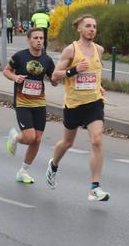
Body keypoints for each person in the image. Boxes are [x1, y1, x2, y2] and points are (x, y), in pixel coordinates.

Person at [45, 14, 110, 202]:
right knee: (67, 142)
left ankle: (94, 188)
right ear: (79, 29)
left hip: (94, 102)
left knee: (97, 140)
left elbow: (94, 72)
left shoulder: (99, 49)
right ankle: (54, 164)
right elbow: (55, 76)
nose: (91, 29)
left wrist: (98, 85)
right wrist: (74, 70)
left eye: (94, 26)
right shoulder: (70, 51)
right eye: (88, 26)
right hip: (74, 103)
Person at [3, 28, 56, 183]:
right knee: (29, 137)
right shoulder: (20, 56)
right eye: (36, 38)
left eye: (41, 38)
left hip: (39, 103)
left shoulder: (47, 60)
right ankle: (15, 137)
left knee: (37, 139)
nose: (39, 40)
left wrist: (56, 79)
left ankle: (23, 171)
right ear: (29, 40)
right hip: (22, 102)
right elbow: (6, 71)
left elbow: (53, 79)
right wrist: (15, 77)